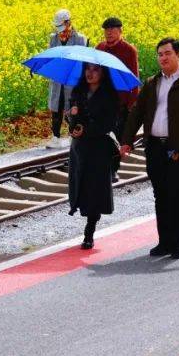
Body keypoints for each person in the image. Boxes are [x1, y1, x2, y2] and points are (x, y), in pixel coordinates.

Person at [120, 38, 179, 260]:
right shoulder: (152, 83)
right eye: (160, 54)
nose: (163, 58)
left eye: (167, 53)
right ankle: (164, 241)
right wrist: (127, 140)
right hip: (154, 147)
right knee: (160, 194)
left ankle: (178, 241)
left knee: (177, 193)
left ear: (178, 55)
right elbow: (137, 114)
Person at [66, 63, 119, 249]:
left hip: (98, 148)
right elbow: (70, 117)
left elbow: (110, 123)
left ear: (103, 73)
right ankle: (80, 211)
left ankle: (89, 231)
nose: (90, 73)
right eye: (87, 69)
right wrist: (71, 118)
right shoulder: (77, 91)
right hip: (79, 148)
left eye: (95, 70)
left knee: (95, 189)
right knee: (79, 184)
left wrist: (86, 129)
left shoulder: (109, 95)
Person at [96, 17, 139, 182]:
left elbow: (134, 78)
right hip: (101, 102)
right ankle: (103, 169)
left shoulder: (129, 50)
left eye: (113, 31)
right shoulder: (99, 48)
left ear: (120, 32)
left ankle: (112, 170)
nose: (109, 34)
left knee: (116, 138)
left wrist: (131, 106)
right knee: (102, 137)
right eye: (107, 31)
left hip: (120, 103)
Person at [47, 9, 89, 148]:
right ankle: (56, 137)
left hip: (73, 80)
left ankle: (73, 134)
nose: (61, 33)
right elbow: (51, 57)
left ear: (69, 23)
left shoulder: (80, 39)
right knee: (56, 107)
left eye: (63, 28)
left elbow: (82, 61)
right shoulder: (53, 38)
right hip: (57, 79)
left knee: (72, 108)